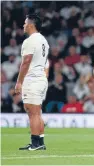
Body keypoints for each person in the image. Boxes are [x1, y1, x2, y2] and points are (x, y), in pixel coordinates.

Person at [15, 14, 49, 151]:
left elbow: (26, 62)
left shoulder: (30, 41)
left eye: (25, 23)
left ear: (31, 25)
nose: (23, 25)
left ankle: (36, 144)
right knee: (36, 112)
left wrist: (19, 82)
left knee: (32, 112)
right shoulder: (43, 41)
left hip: (33, 79)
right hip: (41, 78)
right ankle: (39, 141)